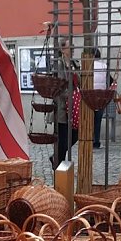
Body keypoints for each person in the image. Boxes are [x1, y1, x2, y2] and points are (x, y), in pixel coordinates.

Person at [53, 39, 79, 169]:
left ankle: (57, 159)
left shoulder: (74, 64)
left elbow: (77, 81)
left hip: (74, 107)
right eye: (70, 46)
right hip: (63, 107)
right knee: (62, 138)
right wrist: (68, 95)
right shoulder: (59, 64)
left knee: (76, 133)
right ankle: (59, 164)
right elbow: (59, 84)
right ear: (63, 50)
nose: (73, 48)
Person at [90, 49, 113, 149]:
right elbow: (110, 80)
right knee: (97, 120)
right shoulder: (104, 66)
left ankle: (88, 139)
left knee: (89, 119)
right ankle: (96, 141)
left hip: (89, 96)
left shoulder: (87, 66)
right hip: (100, 97)